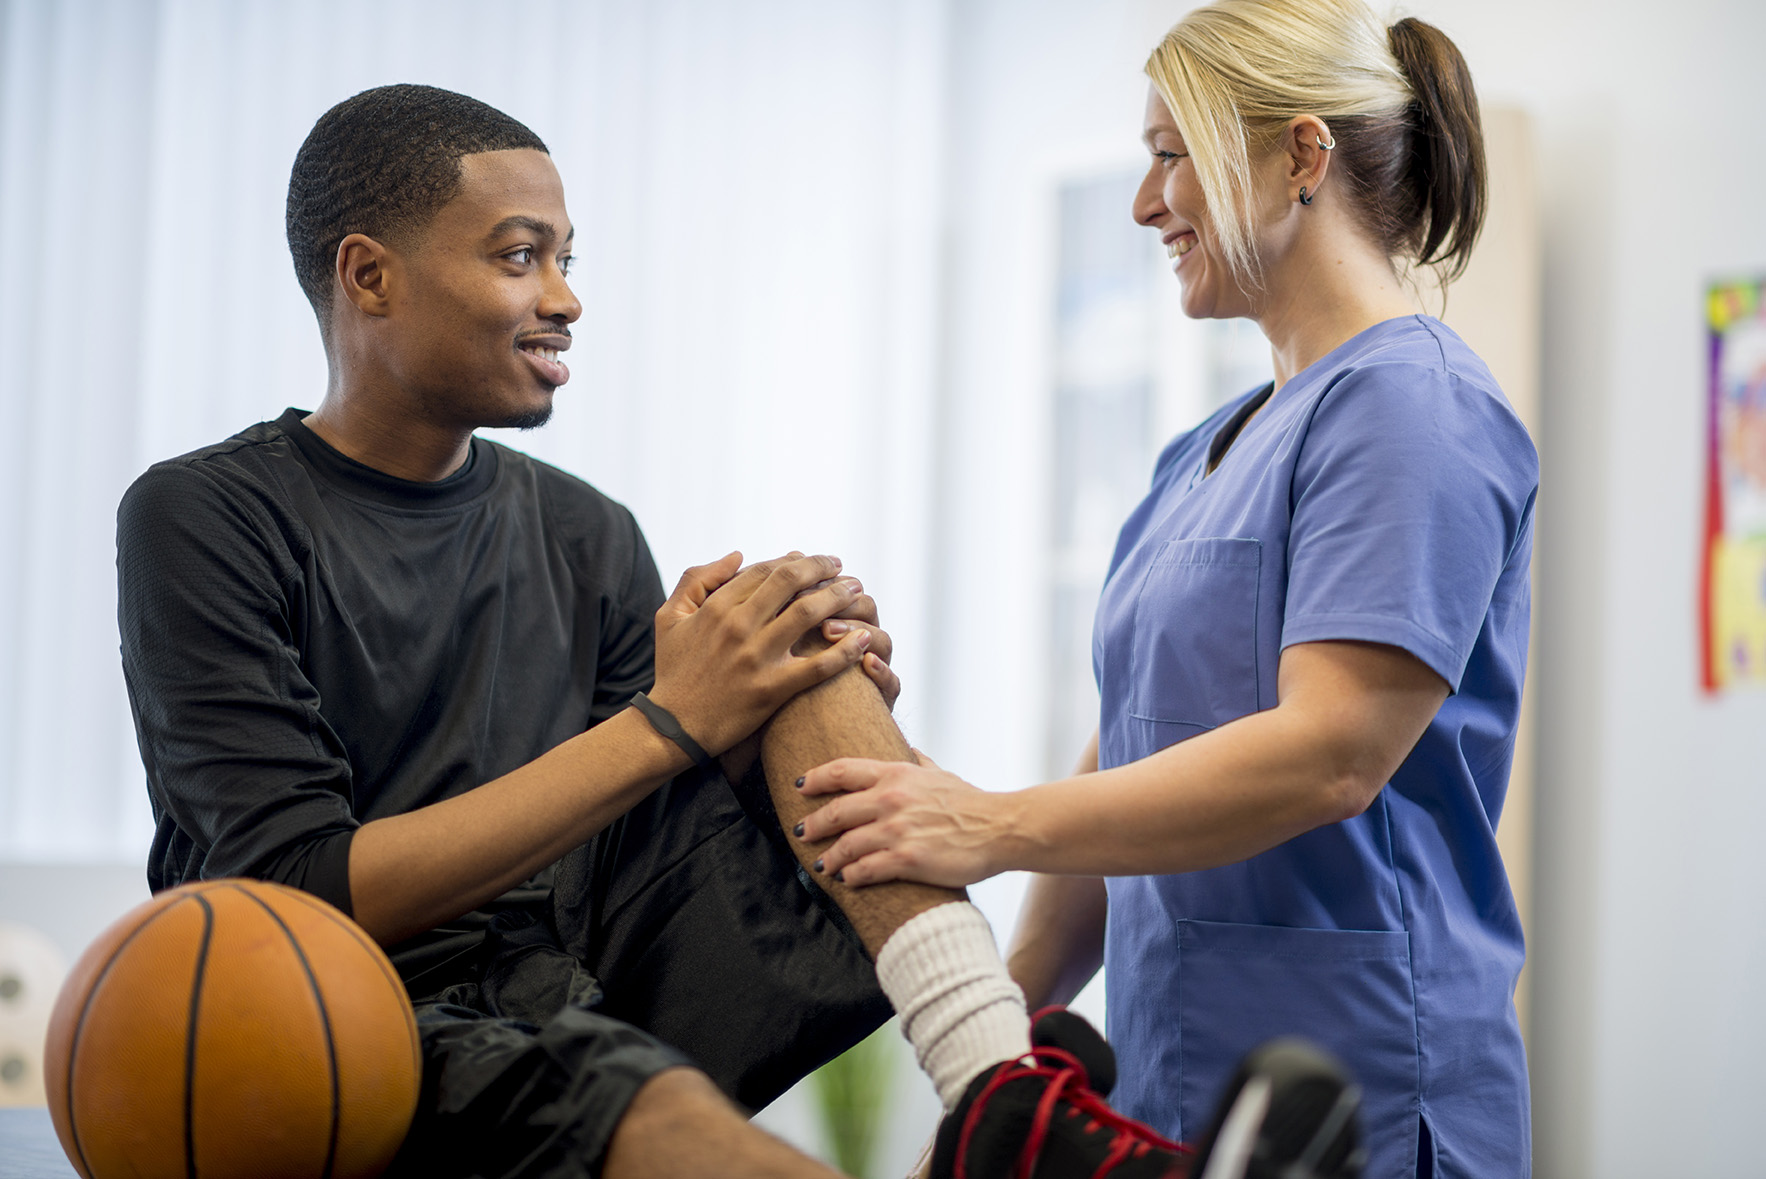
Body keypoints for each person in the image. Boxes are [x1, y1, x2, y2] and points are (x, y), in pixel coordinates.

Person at [115, 84, 1198, 1179]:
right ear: (368, 276)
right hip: (349, 1012)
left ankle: (996, 1085)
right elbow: (297, 889)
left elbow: (630, 826)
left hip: (565, 969)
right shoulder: (207, 515)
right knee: (650, 1103)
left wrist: (770, 706)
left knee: (788, 653)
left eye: (565, 259)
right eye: (518, 257)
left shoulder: (584, 529)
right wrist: (676, 718)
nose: (564, 298)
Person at [790, 1, 1536, 1175]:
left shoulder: (1411, 404)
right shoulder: (1199, 453)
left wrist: (988, 822)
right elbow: (1130, 757)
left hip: (1361, 1089)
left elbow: (1331, 754)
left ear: (1299, 156)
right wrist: (993, 1065)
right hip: (1171, 1082)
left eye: (1170, 154)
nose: (1146, 203)